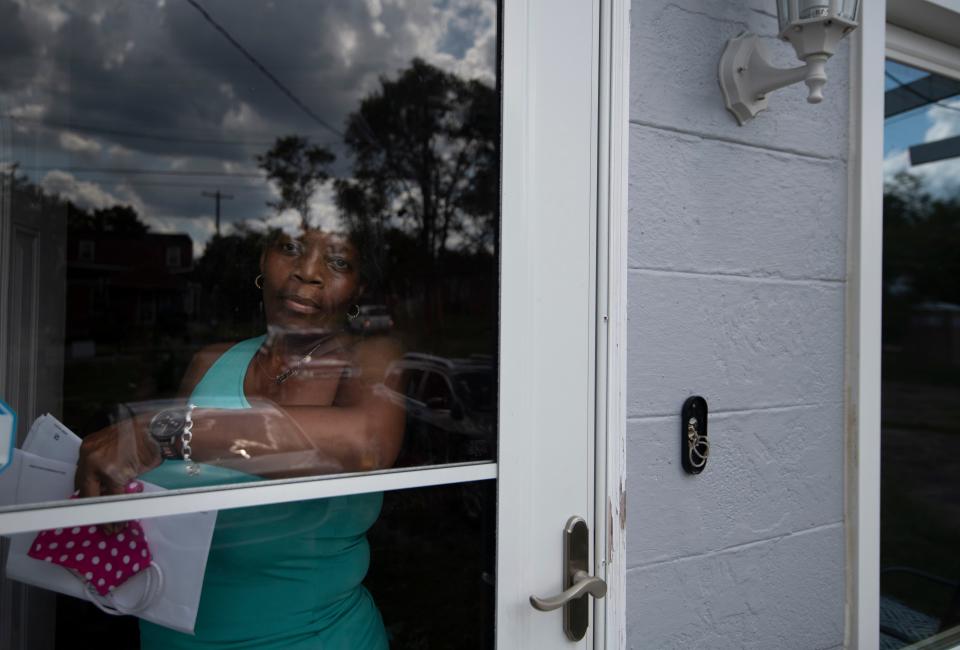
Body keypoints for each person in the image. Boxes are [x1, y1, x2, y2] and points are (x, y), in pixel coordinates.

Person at [74, 224, 405, 650]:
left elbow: (367, 443)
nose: (308, 272)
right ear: (262, 263)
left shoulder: (369, 359)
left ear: (359, 288)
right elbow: (155, 486)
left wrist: (168, 431)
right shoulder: (211, 361)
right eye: (290, 248)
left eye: (338, 262)